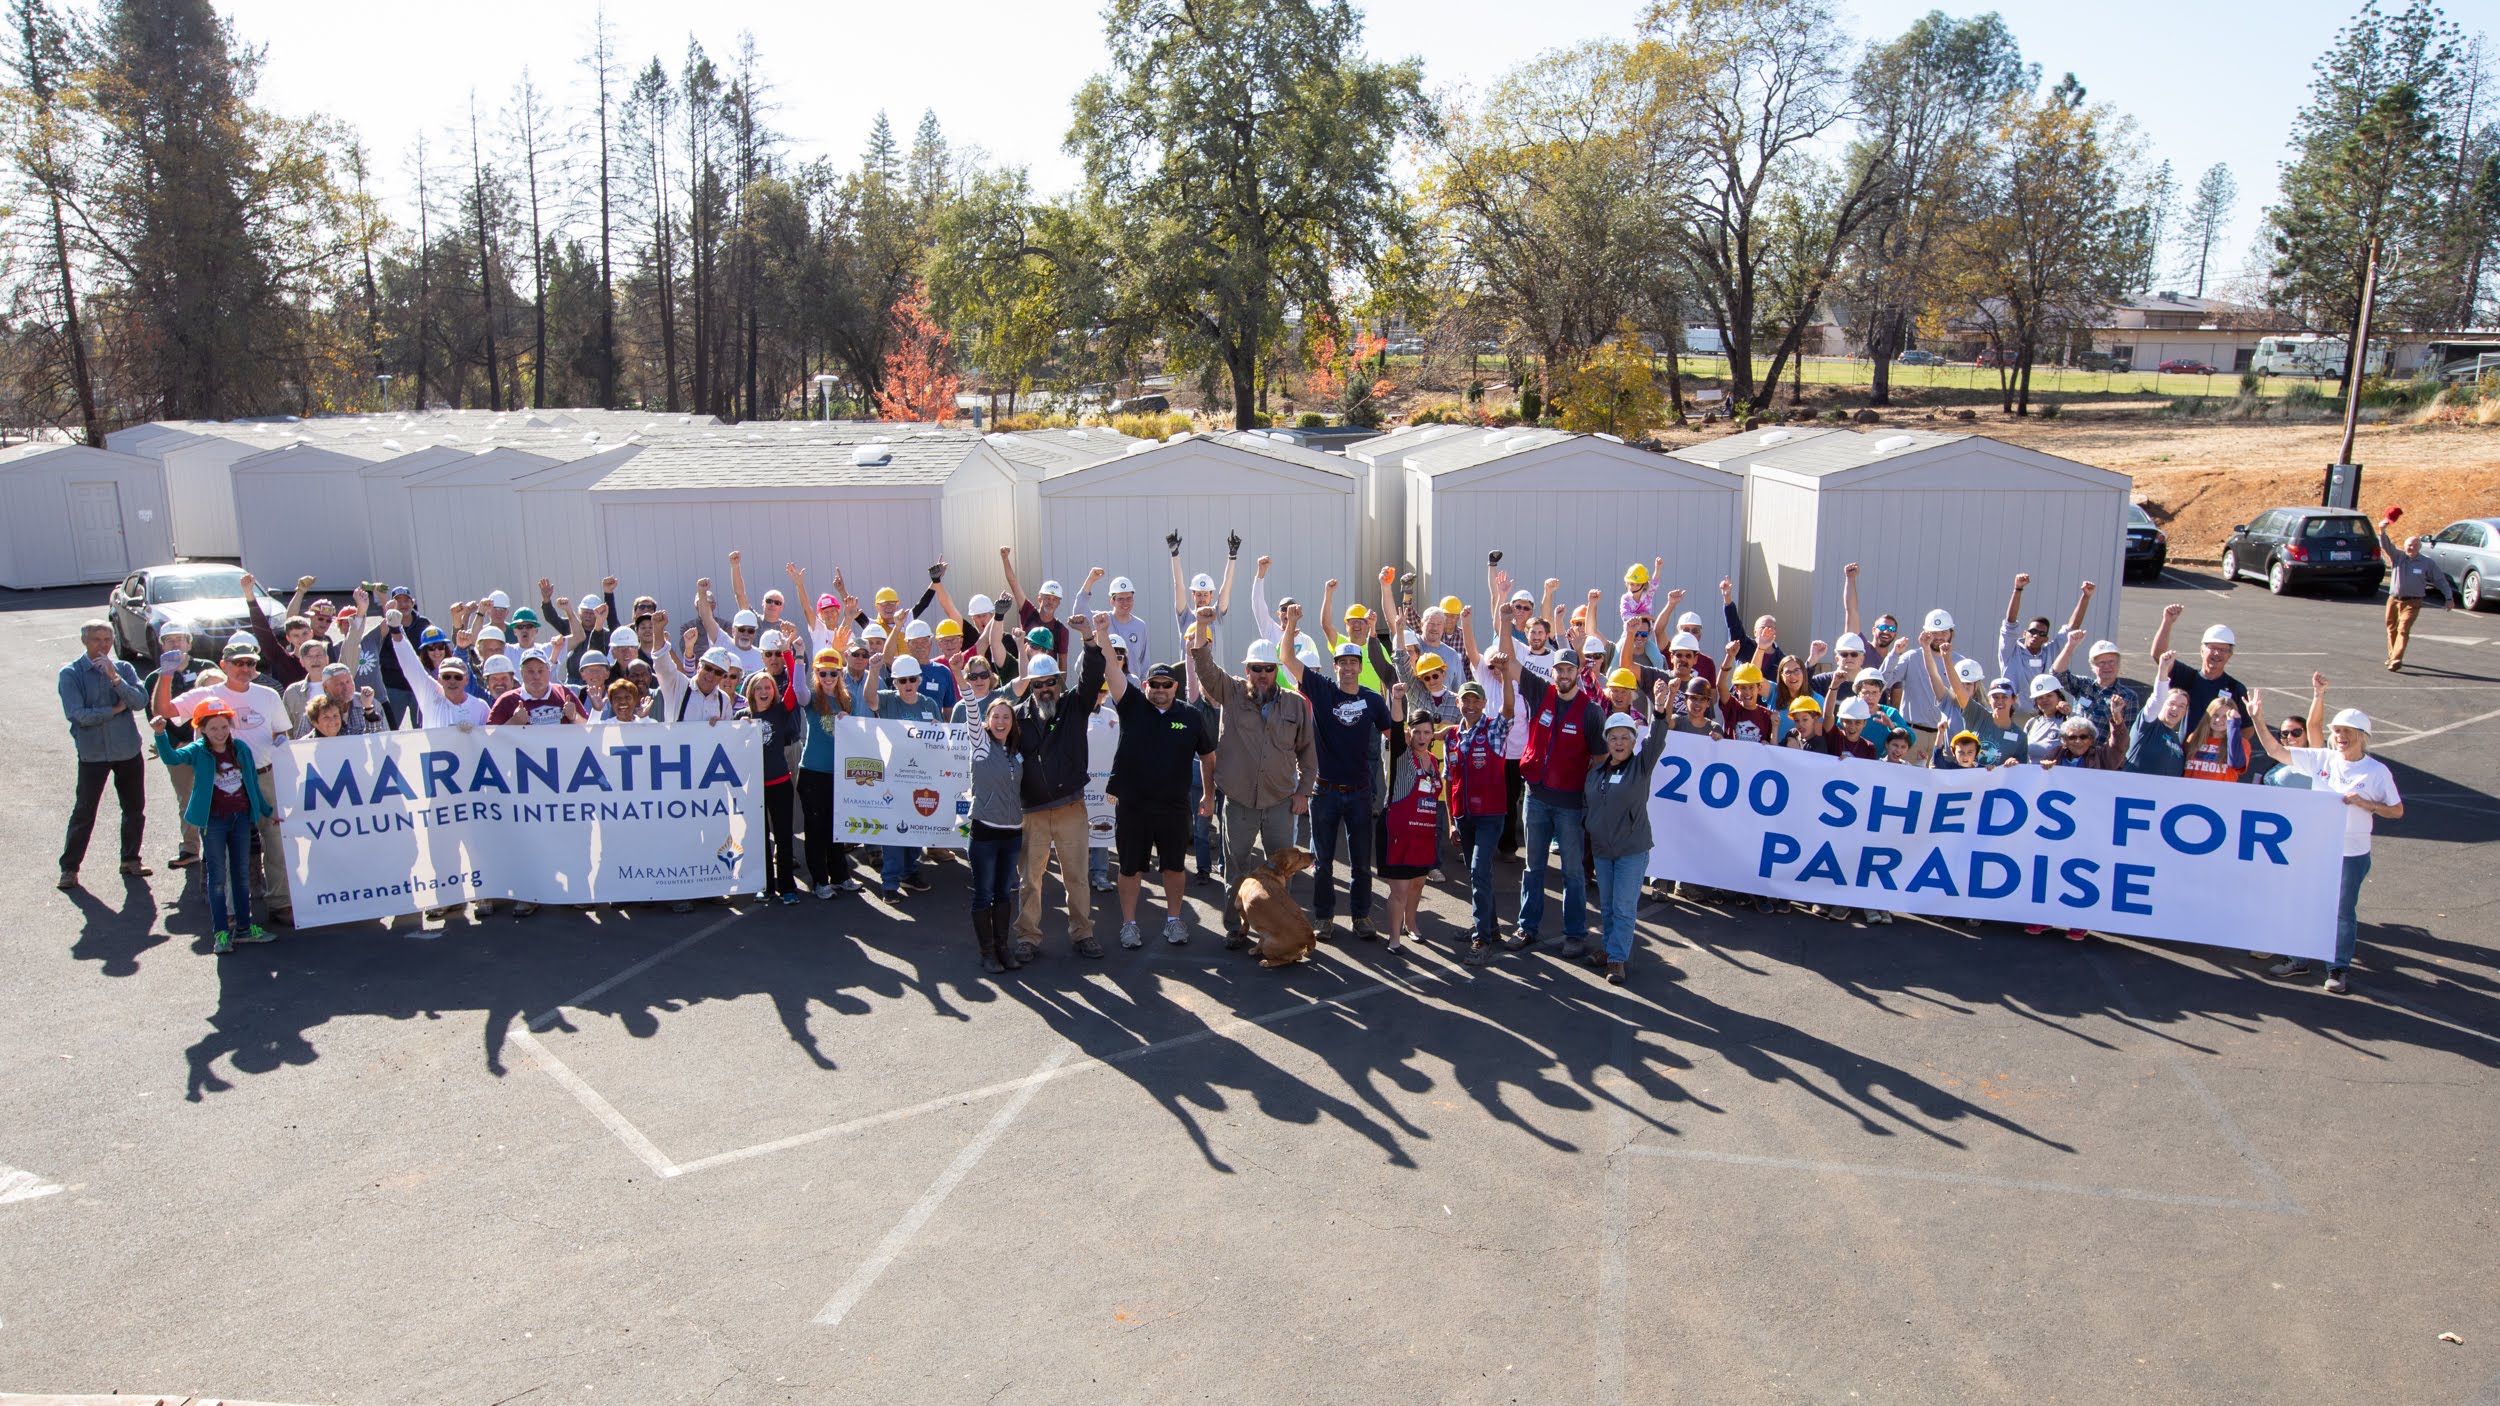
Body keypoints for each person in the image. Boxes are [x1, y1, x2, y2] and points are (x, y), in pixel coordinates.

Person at [2247, 698, 2400, 994]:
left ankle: (2337, 968)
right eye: (2338, 731)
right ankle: (2299, 958)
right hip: (2316, 848)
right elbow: (2275, 751)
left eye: (2347, 732)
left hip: (2351, 853)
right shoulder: (2322, 759)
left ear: (2362, 737)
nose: (2340, 737)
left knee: (2342, 912)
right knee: (2306, 905)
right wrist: (2257, 718)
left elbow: (2396, 810)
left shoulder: (2376, 771)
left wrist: (2367, 804)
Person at [1189, 603, 1317, 950]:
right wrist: (1202, 626)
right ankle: (1236, 927)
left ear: (1277, 670)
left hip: (1279, 800)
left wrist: (1304, 792)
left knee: (1281, 870)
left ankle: (1277, 925)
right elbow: (1203, 664)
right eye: (1256, 668)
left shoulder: (1295, 704)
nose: (1262, 674)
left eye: (1269, 669)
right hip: (1240, 801)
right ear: (1246, 669)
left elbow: (1308, 752)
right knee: (1237, 867)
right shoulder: (1229, 692)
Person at [158, 639, 290, 925]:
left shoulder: (268, 695)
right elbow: (166, 710)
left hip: (264, 775)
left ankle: (280, 903)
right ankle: (229, 913)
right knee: (229, 847)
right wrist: (166, 673)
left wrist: (280, 742)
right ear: (224, 665)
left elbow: (281, 731)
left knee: (275, 840)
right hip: (226, 782)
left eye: (250, 663)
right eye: (238, 663)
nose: (244, 668)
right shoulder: (207, 695)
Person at [1104, 637, 1217, 948]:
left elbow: (1208, 756)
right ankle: (1129, 925)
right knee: (1129, 868)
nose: (1160, 689)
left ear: (1175, 687)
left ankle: (1174, 921)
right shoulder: (1131, 706)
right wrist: (1098, 633)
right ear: (1144, 685)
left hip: (1174, 807)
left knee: (1174, 867)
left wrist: (1208, 795)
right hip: (1133, 807)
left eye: (1166, 684)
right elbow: (1111, 669)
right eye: (1154, 684)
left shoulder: (1190, 716)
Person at [1011, 630, 1109, 961]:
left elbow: (1094, 675)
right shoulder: (1016, 717)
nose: (1044, 689)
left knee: (1077, 878)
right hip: (1033, 811)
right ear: (1031, 687)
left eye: (1050, 682)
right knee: (1030, 880)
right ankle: (1027, 936)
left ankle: (1083, 933)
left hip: (1070, 806)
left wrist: (1090, 642)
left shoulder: (1074, 706)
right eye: (1037, 684)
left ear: (1059, 680)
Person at [1296, 617, 1395, 942]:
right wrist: (1292, 624)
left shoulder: (1373, 700)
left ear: (1359, 665)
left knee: (1361, 863)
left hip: (1360, 792)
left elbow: (1392, 735)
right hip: (1323, 791)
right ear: (1335, 666)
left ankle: (1361, 916)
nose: (1349, 668)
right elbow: (1286, 659)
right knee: (1322, 863)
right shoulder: (1322, 691)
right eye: (1343, 663)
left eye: (1354, 662)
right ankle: (1323, 918)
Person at [150, 699, 271, 953]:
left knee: (240, 875)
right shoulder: (197, 750)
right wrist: (160, 734)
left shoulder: (240, 749)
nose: (220, 732)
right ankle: (221, 935)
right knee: (217, 879)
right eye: (213, 728)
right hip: (213, 822)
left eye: (224, 726)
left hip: (240, 819)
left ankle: (245, 929)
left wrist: (267, 811)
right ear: (202, 729)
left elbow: (251, 784)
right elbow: (171, 758)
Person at [1516, 640, 1605, 949]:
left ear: (1578, 672)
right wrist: (1502, 620)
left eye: (1569, 669)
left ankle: (1576, 934)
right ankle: (1527, 927)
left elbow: (1600, 757)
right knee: (1533, 867)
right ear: (1552, 672)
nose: (1564, 674)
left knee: (1572, 872)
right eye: (1559, 669)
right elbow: (1513, 668)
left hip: (1569, 805)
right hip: (1536, 797)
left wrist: (1589, 796)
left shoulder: (1591, 712)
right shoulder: (1541, 692)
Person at [1584, 692, 1676, 984]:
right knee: (1608, 906)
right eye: (1614, 737)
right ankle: (1611, 947)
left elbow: (1657, 740)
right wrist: (1590, 825)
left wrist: (1659, 711)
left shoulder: (1641, 765)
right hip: (1602, 849)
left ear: (1634, 741)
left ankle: (1616, 959)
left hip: (1631, 850)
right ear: (1606, 741)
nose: (1619, 742)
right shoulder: (1596, 772)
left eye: (1625, 737)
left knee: (1624, 907)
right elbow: (1588, 805)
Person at [59, 620, 151, 890]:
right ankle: (69, 869)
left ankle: (131, 860)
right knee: (84, 811)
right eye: (97, 639)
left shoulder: (123, 668)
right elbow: (77, 715)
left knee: (134, 808)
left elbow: (139, 702)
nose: (103, 645)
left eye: (107, 640)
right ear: (84, 641)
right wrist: (112, 711)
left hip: (127, 751)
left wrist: (115, 678)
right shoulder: (71, 673)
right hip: (93, 754)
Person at [142, 625, 212, 870]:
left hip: (209, 747)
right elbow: (154, 714)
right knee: (187, 799)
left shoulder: (206, 669)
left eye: (180, 640)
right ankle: (190, 848)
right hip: (179, 750)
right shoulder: (155, 677)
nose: (175, 645)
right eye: (169, 640)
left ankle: (215, 846)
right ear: (162, 646)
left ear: (189, 644)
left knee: (216, 795)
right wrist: (175, 744)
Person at [1376, 692, 1441, 953]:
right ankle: (1394, 938)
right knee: (1400, 890)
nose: (1422, 738)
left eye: (1427, 732)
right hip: (1398, 834)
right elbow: (1394, 725)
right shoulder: (1401, 755)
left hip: (1423, 835)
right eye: (1417, 732)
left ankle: (1411, 924)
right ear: (1409, 734)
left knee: (1417, 884)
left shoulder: (1434, 762)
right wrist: (1397, 700)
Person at [795, 646, 862, 900]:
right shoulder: (812, 698)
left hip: (838, 774)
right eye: (823, 673)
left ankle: (841, 876)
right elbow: (798, 691)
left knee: (837, 828)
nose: (828, 678)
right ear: (817, 674)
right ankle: (820, 881)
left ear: (840, 674)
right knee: (815, 828)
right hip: (812, 772)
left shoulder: (847, 700)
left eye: (833, 673)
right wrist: (799, 656)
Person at [967, 694, 1027, 974]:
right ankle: (987, 952)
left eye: (1006, 716)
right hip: (985, 833)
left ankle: (1003, 947)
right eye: (996, 716)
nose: (1001, 721)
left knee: (1004, 893)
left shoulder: (1016, 752)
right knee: (984, 894)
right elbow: (970, 709)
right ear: (987, 721)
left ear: (1013, 721)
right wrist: (960, 677)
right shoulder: (980, 746)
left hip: (1013, 833)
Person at [743, 670, 803, 906]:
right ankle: (766, 886)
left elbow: (795, 689)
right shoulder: (742, 717)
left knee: (783, 837)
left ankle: (788, 887)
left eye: (768, 687)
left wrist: (793, 654)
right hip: (754, 788)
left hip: (780, 784)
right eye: (759, 688)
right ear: (751, 692)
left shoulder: (780, 711)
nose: (764, 692)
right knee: (760, 839)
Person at [2146, 605, 2249, 733]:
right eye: (2213, 648)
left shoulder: (2236, 688)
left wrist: (2228, 749)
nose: (2217, 653)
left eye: (2222, 650)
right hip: (2186, 752)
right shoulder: (2187, 677)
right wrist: (2167, 621)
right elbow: (2158, 655)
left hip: (2216, 753)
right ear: (2201, 651)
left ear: (2229, 655)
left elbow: (2247, 729)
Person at [1998, 574, 2090, 711]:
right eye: (2032, 631)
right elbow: (2010, 622)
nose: (2036, 635)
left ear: (2045, 639)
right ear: (2025, 633)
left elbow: (2072, 628)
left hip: (2044, 714)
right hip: (2015, 714)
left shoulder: (2051, 651)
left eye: (2041, 633)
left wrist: (2086, 596)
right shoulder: (2010, 651)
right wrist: (2018, 589)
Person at [2378, 512, 2455, 671]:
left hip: (2413, 602)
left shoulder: (2427, 563)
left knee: (2403, 628)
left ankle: (2396, 660)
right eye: (2408, 545)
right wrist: (2382, 530)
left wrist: (2449, 597)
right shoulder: (2398, 557)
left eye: (2414, 545)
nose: (2411, 548)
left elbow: (2440, 580)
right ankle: (2392, 656)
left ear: (2419, 547)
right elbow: (2386, 545)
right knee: (2391, 627)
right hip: (2394, 599)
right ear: (2404, 547)